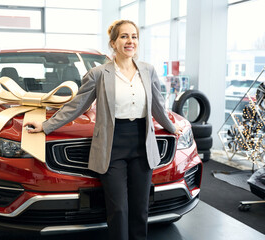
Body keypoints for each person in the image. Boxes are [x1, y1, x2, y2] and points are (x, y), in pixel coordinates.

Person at [25, 19, 182, 240]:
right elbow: (77, 105)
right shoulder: (99, 74)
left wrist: (171, 127)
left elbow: (157, 105)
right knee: (118, 209)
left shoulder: (148, 70)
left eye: (134, 36)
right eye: (124, 36)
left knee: (140, 208)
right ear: (113, 43)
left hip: (142, 145)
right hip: (112, 146)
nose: (130, 41)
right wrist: (46, 126)